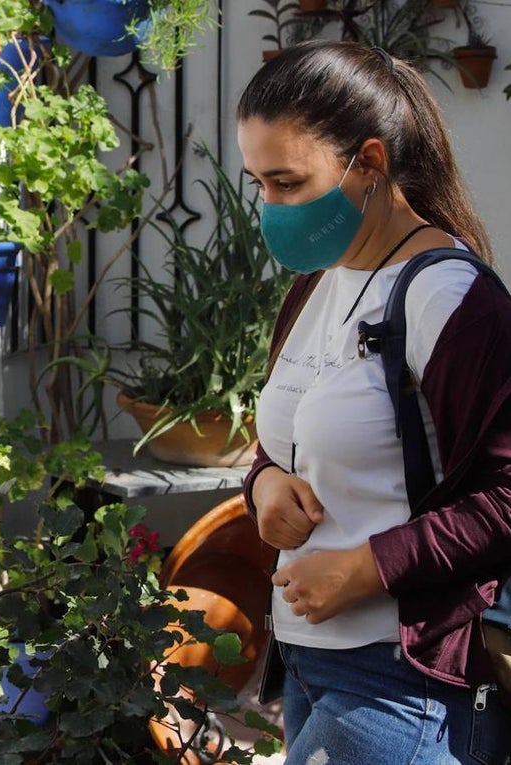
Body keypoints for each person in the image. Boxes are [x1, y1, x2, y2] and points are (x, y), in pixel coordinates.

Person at [237, 40, 511, 764]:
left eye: (288, 182)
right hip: (304, 664)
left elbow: (506, 496)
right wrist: (263, 483)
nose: (270, 206)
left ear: (369, 162)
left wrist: (365, 567)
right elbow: (283, 441)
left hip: (403, 681)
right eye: (257, 182)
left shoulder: (450, 296)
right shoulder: (315, 285)